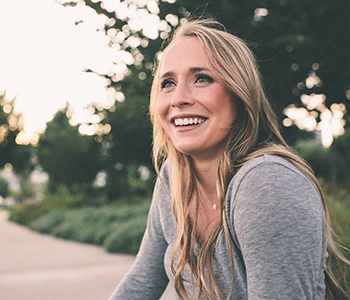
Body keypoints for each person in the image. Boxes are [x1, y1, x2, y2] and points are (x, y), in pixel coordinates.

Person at [108, 18, 349, 300]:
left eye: (202, 78)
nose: (178, 98)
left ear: (239, 93)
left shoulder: (267, 185)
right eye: (168, 83)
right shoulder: (172, 176)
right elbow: (141, 280)